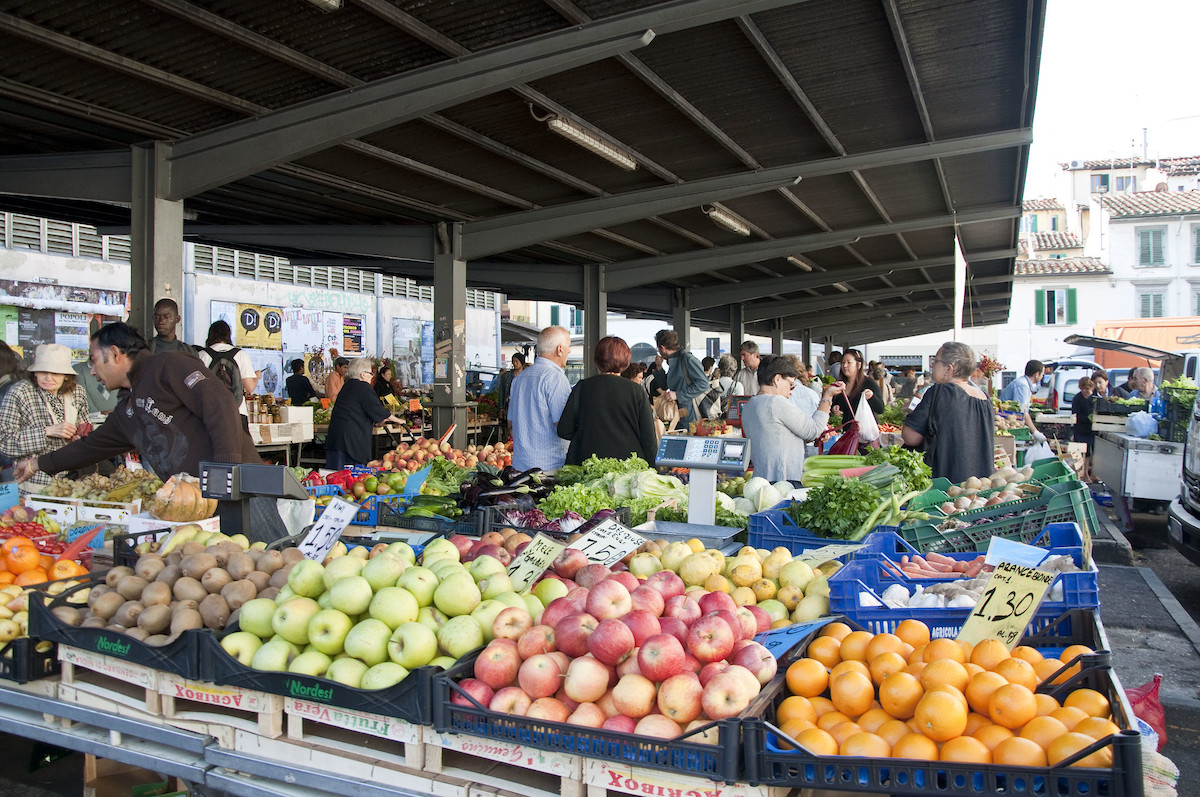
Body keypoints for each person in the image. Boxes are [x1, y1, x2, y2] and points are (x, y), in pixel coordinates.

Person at [13, 323, 259, 486]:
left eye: (94, 360)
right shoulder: (127, 410)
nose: (92, 370)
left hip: (241, 489)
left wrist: (225, 472)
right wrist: (37, 464)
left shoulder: (167, 366)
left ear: (115, 354)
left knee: (266, 558)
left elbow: (220, 403)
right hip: (195, 499)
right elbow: (91, 447)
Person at [0, 344, 92, 493]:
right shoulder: (20, 392)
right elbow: (5, 443)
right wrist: (47, 431)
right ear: (34, 373)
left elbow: (85, 428)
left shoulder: (77, 393)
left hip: (74, 482)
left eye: (55, 373)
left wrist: (79, 437)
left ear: (66, 375)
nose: (48, 378)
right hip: (34, 483)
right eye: (43, 372)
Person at [740, 354, 844, 484]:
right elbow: (813, 430)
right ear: (777, 379)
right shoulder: (776, 402)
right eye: (790, 384)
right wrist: (827, 396)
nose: (790, 391)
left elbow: (775, 437)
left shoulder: (751, 405)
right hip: (785, 480)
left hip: (762, 479)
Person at [901, 342, 994, 483]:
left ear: (949, 369)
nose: (932, 365)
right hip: (979, 485)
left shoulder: (939, 392)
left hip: (946, 484)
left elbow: (911, 437)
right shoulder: (985, 398)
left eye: (935, 361)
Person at [557, 337, 657, 465]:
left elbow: (564, 430)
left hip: (588, 467)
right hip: (628, 469)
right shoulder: (636, 391)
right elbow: (649, 440)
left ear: (596, 360)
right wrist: (654, 470)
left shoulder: (582, 388)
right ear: (626, 361)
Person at [508, 326, 572, 471]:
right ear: (560, 349)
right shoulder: (555, 378)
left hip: (520, 466)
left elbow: (510, 423)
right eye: (568, 346)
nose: (569, 351)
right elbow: (563, 425)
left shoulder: (519, 379)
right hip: (549, 467)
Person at [324, 359, 405, 469]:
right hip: (351, 441)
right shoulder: (363, 387)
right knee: (352, 475)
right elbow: (376, 408)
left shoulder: (347, 386)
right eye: (370, 374)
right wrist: (398, 420)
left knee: (336, 474)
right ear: (363, 374)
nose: (372, 377)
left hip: (337, 438)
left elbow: (357, 410)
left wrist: (377, 422)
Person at [198, 321, 259, 432]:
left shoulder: (202, 355)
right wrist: (257, 377)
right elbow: (250, 387)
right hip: (237, 412)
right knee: (238, 448)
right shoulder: (240, 355)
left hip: (210, 413)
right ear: (228, 335)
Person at [655, 329, 708, 422]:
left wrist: (678, 395)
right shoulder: (674, 361)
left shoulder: (687, 359)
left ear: (662, 348)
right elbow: (664, 385)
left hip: (689, 413)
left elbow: (703, 384)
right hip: (679, 412)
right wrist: (659, 367)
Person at [830, 349, 884, 428]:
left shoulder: (869, 383)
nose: (845, 366)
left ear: (859, 365)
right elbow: (834, 404)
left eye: (849, 362)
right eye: (843, 362)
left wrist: (872, 397)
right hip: (847, 433)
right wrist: (834, 408)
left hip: (864, 432)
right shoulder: (840, 385)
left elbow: (880, 409)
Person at [1010, 360, 1047, 442]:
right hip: (1009, 423)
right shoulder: (1023, 386)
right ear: (1037, 374)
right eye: (1042, 374)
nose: (1042, 376)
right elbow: (1022, 410)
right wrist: (1035, 432)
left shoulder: (1024, 384)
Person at [1072, 376, 1097, 482]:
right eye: (1083, 389)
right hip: (1080, 428)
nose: (1085, 391)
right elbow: (1075, 414)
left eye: (1087, 389)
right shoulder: (1077, 398)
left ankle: (1086, 474)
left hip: (1090, 430)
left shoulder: (1094, 399)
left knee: (1088, 454)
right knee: (1078, 453)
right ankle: (1078, 474)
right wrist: (1087, 418)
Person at [494, 352, 526, 419]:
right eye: (513, 361)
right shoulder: (506, 376)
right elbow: (502, 392)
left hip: (523, 407)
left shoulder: (526, 376)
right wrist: (501, 408)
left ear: (522, 362)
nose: (514, 363)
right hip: (509, 406)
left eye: (516, 361)